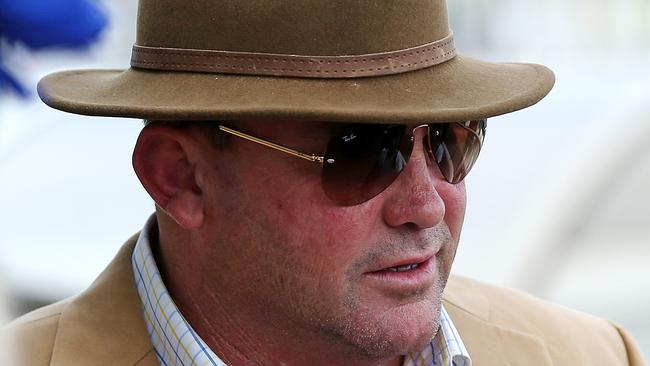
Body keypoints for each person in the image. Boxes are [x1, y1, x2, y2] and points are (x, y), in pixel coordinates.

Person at [4, 0, 646, 365]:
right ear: (181, 177)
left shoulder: (589, 355)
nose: (427, 204)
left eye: (452, 140)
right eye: (363, 152)